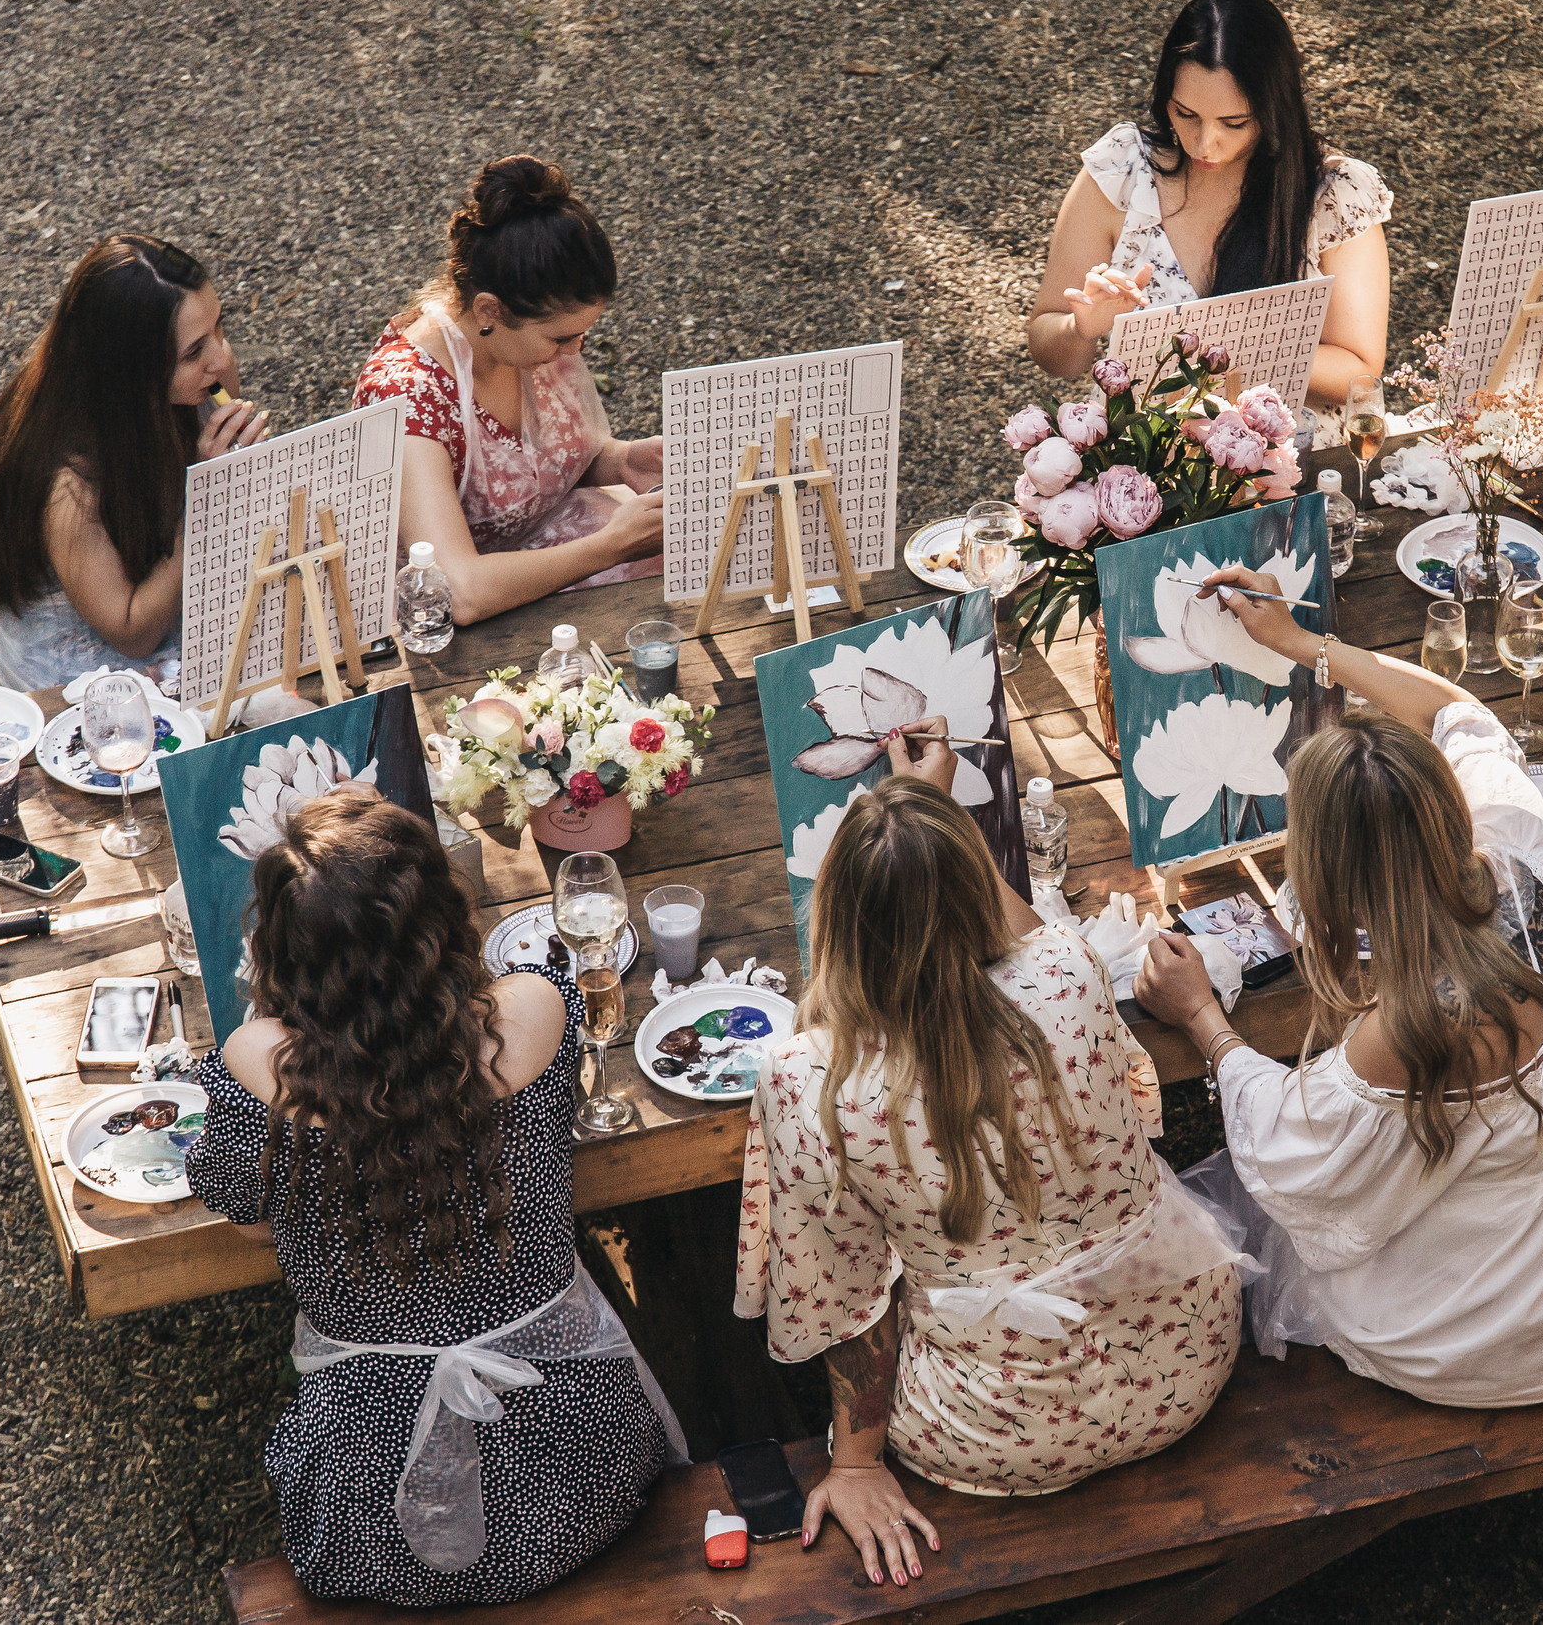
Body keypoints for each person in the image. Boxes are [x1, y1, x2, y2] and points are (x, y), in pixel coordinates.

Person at [1131, 569, 1543, 1408]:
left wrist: (1204, 1023)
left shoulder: (1415, 1025)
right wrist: (1300, 645)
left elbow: (1288, 1153)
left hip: (1507, 1332)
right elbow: (1457, 715)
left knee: (1263, 1219)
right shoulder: (1519, 838)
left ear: (1335, 885)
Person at [735, 727, 1248, 1588]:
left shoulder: (812, 1078)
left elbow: (842, 1294)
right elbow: (1016, 924)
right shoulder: (1069, 969)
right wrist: (940, 807)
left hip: (997, 1429)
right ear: (973, 887)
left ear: (840, 922)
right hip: (1186, 1354)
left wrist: (856, 1463)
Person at [186, 784, 682, 1605]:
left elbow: (245, 1223)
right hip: (581, 1475)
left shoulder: (258, 1067)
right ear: (438, 919)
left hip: (369, 1526)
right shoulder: (535, 1009)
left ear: (281, 949)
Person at [1026, 0, 1390, 431]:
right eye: (1186, 114)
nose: (1204, 143)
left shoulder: (1332, 194)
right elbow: (1051, 349)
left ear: (1274, 109)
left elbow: (1360, 367)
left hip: (1292, 465)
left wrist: (1222, 344)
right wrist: (1080, 329)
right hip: (1141, 469)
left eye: (1234, 122)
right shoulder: (1123, 171)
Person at [354, 154, 664, 622]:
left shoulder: (525, 342)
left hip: (549, 550)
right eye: (561, 337)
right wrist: (612, 545)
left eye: (583, 333)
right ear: (490, 311)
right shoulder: (407, 399)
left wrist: (622, 460)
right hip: (453, 624)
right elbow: (456, 591)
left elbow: (536, 465)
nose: (575, 350)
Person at [0, 234, 270, 694]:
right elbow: (133, 632)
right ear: (131, 369)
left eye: (220, 327)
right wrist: (210, 499)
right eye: (193, 352)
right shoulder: (68, 481)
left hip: (166, 573)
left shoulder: (203, 377)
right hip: (84, 668)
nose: (221, 357)